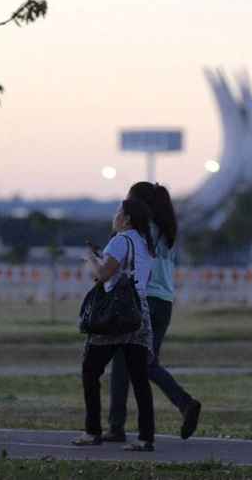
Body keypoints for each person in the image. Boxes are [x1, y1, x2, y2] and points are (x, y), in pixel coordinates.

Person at [105, 182, 201, 442]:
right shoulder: (167, 232)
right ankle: (119, 425)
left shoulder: (136, 231)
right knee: (138, 362)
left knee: (132, 363)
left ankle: (183, 403)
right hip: (164, 303)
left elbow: (114, 264)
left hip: (141, 301)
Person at [74, 199, 156, 451]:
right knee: (140, 378)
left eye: (118, 212)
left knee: (90, 370)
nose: (115, 216)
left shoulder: (120, 240)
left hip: (114, 316)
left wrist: (90, 258)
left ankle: (92, 431)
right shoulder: (145, 243)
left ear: (127, 218)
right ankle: (145, 438)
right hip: (138, 313)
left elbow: (103, 274)